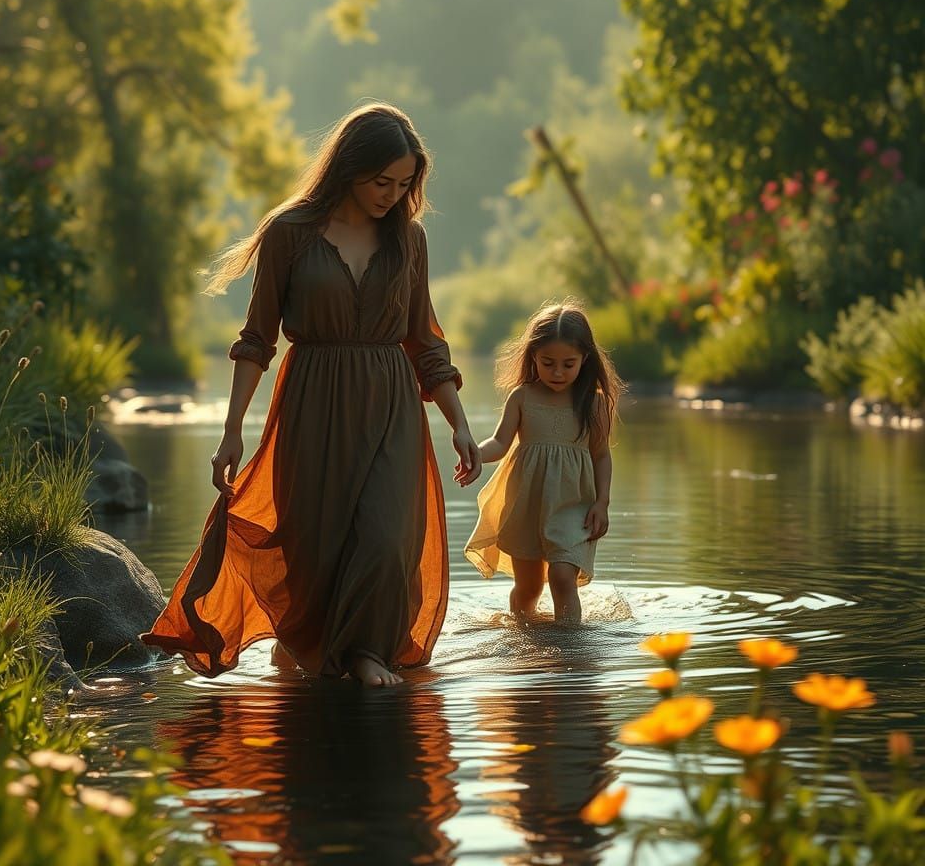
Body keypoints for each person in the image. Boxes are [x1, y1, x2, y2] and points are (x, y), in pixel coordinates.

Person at [141, 103, 481, 686]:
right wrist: (230, 434)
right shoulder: (290, 234)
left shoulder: (409, 240)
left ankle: (367, 654)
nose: (392, 196)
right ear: (349, 166)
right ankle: (307, 644)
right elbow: (255, 340)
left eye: (404, 185)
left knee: (387, 536)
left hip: (392, 407)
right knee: (314, 539)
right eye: (382, 182)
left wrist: (460, 423)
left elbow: (425, 341)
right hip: (311, 404)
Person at [463, 300, 622, 624]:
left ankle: (569, 647)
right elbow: (500, 443)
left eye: (568, 363)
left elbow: (601, 455)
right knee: (529, 587)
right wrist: (476, 454)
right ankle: (525, 639)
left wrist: (602, 502)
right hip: (527, 505)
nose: (558, 372)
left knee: (563, 578)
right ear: (533, 356)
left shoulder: (593, 403)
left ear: (584, 359)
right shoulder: (522, 397)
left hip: (573, 505)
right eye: (548, 363)